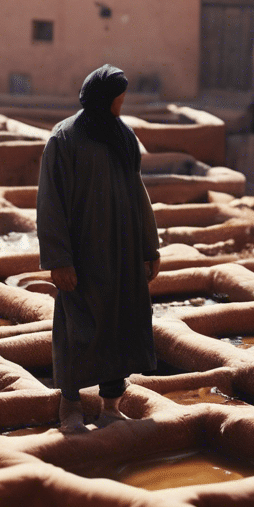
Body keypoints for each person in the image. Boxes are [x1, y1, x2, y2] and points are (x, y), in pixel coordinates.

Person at [37, 65, 160, 434]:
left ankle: (110, 406)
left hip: (122, 251)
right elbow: (50, 202)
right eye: (117, 100)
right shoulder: (65, 139)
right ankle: (70, 406)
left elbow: (137, 192)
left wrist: (149, 247)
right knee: (78, 326)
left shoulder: (122, 136)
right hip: (83, 253)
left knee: (119, 325)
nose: (120, 106)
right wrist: (59, 259)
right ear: (102, 99)